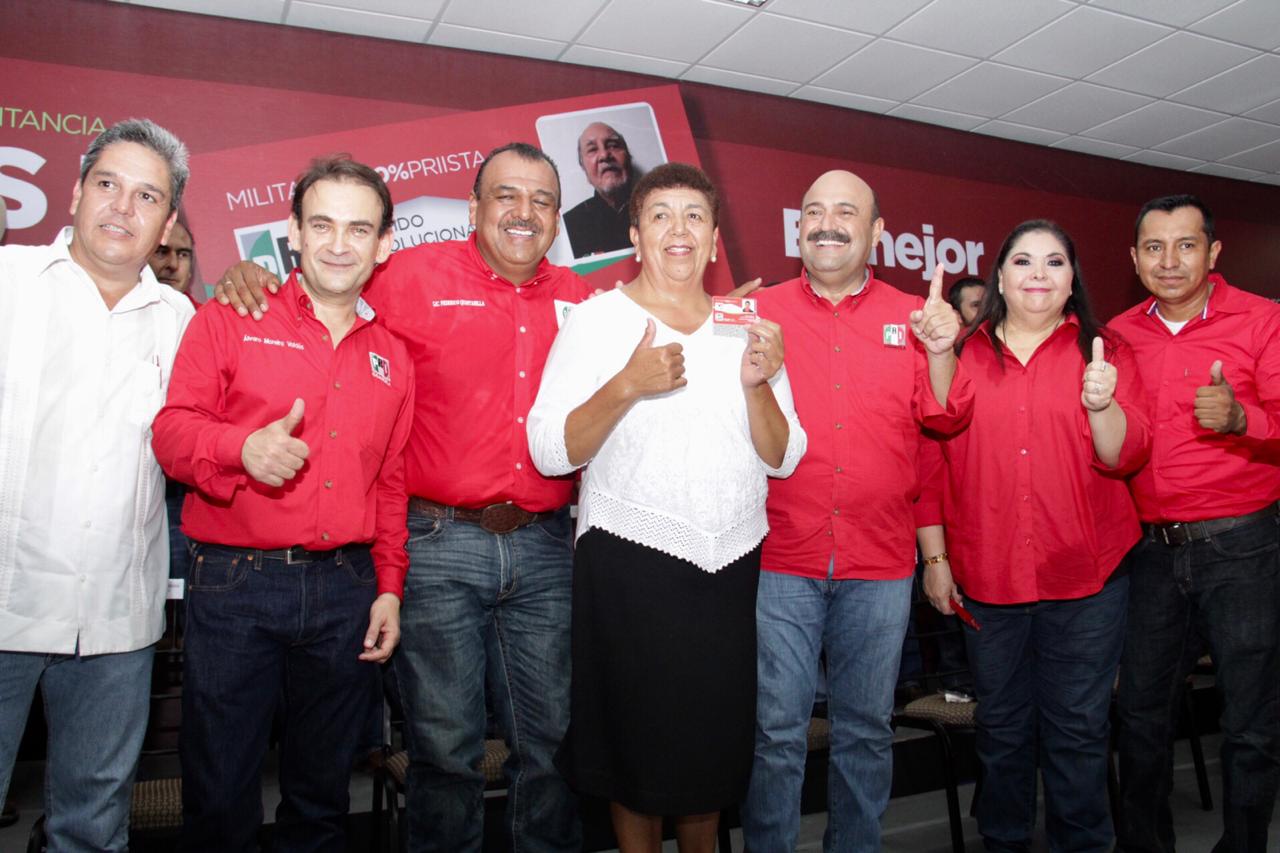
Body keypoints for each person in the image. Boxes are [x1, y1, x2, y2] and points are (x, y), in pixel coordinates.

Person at [214, 142, 592, 853]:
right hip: (439, 543)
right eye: (506, 195)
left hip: (545, 544)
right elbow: (321, 289)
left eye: (542, 200)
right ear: (473, 208)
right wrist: (250, 276)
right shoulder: (407, 274)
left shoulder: (583, 298)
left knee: (551, 743)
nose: (524, 211)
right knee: (445, 749)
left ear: (557, 216)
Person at [528, 162, 806, 852]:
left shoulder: (746, 325)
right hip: (630, 564)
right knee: (636, 760)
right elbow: (549, 451)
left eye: (694, 216)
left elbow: (784, 456)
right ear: (635, 235)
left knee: (709, 758)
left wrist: (758, 385)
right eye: (660, 215)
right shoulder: (597, 320)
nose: (678, 229)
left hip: (728, 566)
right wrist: (626, 384)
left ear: (713, 240)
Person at [153, 155, 413, 852]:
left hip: (347, 590)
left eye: (359, 229)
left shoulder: (393, 355)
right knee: (219, 797)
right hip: (236, 585)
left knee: (322, 801)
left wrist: (390, 587)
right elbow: (171, 433)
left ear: (384, 244)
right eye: (321, 224)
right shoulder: (230, 316)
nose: (339, 244)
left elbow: (391, 482)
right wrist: (241, 449)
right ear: (293, 232)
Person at [742, 169, 973, 853]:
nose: (827, 223)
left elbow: (944, 419)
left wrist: (942, 349)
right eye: (814, 211)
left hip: (879, 562)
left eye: (846, 212)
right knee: (776, 734)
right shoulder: (757, 313)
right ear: (798, 229)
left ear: (875, 232)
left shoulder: (915, 318)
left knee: (866, 731)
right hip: (781, 557)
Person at [925, 219, 1151, 852]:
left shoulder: (1106, 351)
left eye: (1055, 262)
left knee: (1078, 732)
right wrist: (935, 559)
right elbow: (933, 446)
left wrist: (1103, 405)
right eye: (1023, 261)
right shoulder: (961, 351)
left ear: (1072, 279)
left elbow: (1124, 456)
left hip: (1087, 578)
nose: (1038, 274)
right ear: (1000, 277)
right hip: (989, 578)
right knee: (1001, 731)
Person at [0, 118, 194, 851]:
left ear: (167, 223)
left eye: (147, 196)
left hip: (116, 619)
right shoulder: (9, 282)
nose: (122, 207)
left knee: (93, 828)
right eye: (108, 184)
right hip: (5, 600)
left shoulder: (180, 320)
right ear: (77, 192)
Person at [1109, 194, 1280, 853]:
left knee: (1250, 721)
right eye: (1154, 247)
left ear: (1213, 252)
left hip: (1244, 547)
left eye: (1186, 245)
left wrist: (1242, 420)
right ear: (1135, 259)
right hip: (1152, 552)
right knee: (1139, 714)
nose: (1170, 260)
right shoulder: (1118, 334)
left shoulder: (1262, 320)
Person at [149, 212, 199, 583]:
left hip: (185, 492)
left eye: (183, 255)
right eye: (162, 252)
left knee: (183, 601)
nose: (172, 264)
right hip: (126, 482)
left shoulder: (207, 319)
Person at [562, 122, 636, 257]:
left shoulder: (660, 209)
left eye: (613, 145)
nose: (604, 155)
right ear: (584, 168)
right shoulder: (567, 227)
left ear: (629, 157)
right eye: (592, 149)